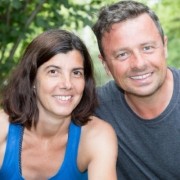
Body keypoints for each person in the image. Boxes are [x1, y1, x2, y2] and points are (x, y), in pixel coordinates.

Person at [0, 29, 118, 180]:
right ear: (32, 79)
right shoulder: (3, 129)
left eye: (76, 73)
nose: (67, 84)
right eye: (53, 71)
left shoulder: (96, 136)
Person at [92, 0, 180, 179]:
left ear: (164, 47)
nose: (139, 64)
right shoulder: (95, 106)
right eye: (122, 54)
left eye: (147, 48)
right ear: (105, 65)